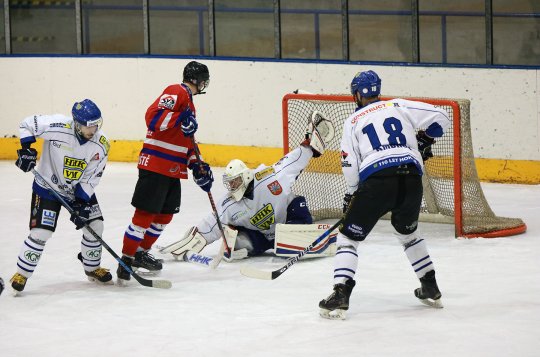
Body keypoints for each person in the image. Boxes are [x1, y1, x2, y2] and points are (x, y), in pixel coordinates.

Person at [318, 70, 451, 319]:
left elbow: (349, 162)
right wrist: (425, 139)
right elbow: (442, 117)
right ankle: (430, 286)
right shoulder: (398, 105)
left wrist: (351, 194)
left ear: (357, 94)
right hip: (411, 180)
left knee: (348, 239)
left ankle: (341, 293)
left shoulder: (353, 121)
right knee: (409, 234)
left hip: (377, 182)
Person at [159, 111, 335, 261]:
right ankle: (277, 242)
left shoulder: (270, 177)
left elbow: (293, 160)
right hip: (263, 236)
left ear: (245, 176)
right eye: (230, 184)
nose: (233, 186)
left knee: (298, 205)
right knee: (237, 243)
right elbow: (212, 224)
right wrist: (193, 241)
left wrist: (309, 146)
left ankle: (300, 234)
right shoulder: (228, 204)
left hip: (288, 220)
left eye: (235, 181)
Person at [116, 61, 214, 285]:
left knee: (164, 216)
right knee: (144, 215)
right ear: (199, 80)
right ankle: (126, 258)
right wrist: (180, 118)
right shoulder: (176, 91)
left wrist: (196, 164)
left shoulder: (190, 104)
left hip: (172, 169)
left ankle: (140, 252)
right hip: (155, 165)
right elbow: (152, 118)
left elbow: (185, 140)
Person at [10, 99, 112, 295]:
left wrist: (81, 203)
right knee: (42, 232)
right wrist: (26, 149)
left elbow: (92, 177)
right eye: (89, 126)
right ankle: (21, 273)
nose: (94, 130)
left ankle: (92, 267)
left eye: (97, 125)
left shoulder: (101, 144)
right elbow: (27, 124)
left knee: (95, 226)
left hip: (77, 190)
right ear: (76, 122)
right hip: (47, 188)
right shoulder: (58, 125)